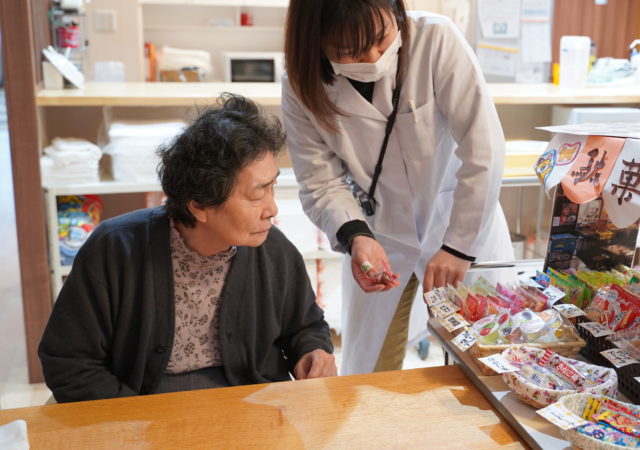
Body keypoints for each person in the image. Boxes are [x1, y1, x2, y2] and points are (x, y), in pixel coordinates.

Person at [38, 93, 336, 403]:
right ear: (200, 206)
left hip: (250, 403)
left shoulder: (273, 249)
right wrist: (135, 422)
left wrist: (312, 351)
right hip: (139, 404)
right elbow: (69, 362)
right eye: (256, 194)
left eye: (272, 186)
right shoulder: (115, 249)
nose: (272, 209)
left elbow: (306, 325)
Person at [282, 0, 514, 375]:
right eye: (349, 51)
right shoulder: (301, 82)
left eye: (380, 38)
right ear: (316, 43)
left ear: (396, 12)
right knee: (370, 372)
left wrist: (458, 246)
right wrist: (356, 236)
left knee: (488, 365)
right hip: (379, 236)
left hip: (459, 224)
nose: (373, 58)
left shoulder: (434, 40)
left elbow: (483, 147)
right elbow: (318, 180)